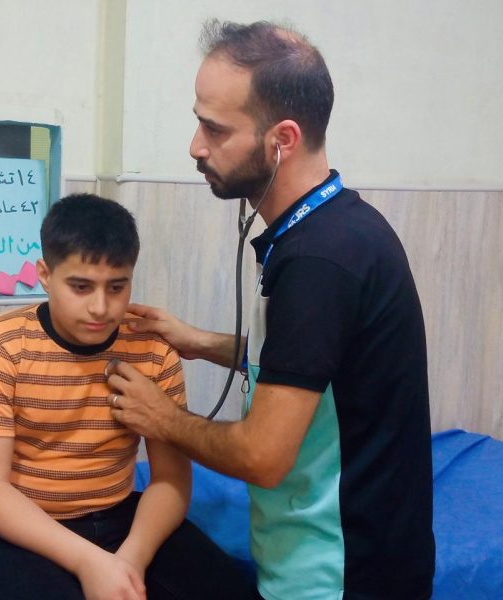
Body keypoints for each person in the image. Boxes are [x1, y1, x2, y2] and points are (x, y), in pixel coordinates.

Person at [104, 20, 436, 600]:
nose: (195, 145)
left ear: (281, 139)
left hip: (342, 578)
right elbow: (316, 368)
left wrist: (161, 419)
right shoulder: (329, 230)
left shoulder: (320, 262)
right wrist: (201, 342)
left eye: (214, 128)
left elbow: (263, 455)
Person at [0, 193, 254, 600]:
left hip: (119, 518)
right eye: (80, 286)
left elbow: (171, 481)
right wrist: (89, 562)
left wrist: (130, 561)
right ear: (45, 274)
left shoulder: (152, 350)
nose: (100, 307)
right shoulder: (0, 346)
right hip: (14, 527)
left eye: (117, 287)